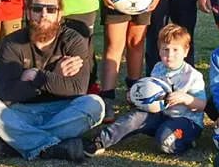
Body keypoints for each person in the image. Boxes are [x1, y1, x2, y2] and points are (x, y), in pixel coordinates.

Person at [0, 0, 105, 162]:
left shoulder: (73, 40)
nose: (44, 15)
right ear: (27, 12)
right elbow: (7, 93)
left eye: (51, 9)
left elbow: (77, 89)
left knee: (94, 104)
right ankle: (54, 147)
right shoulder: (12, 42)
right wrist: (56, 76)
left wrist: (37, 76)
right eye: (37, 9)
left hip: (63, 111)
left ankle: (13, 146)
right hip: (22, 113)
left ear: (60, 14)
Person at [86, 24, 205, 157]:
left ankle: (187, 140)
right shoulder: (158, 68)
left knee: (165, 141)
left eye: (175, 50)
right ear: (159, 50)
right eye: (165, 49)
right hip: (160, 115)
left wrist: (186, 99)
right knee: (134, 118)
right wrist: (135, 97)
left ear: (186, 51)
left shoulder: (193, 76)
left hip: (186, 121)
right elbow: (150, 95)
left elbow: (202, 105)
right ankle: (100, 141)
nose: (170, 55)